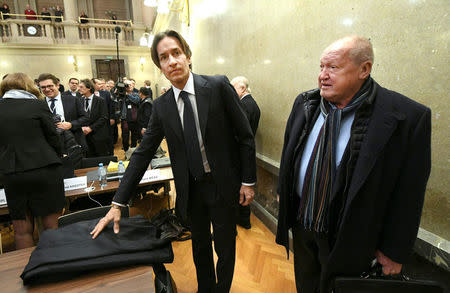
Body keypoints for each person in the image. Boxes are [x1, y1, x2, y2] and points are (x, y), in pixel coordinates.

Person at [91, 30, 256, 293]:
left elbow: (245, 136)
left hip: (223, 184)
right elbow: (144, 153)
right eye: (164, 57)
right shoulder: (162, 106)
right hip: (191, 190)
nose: (172, 61)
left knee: (225, 246)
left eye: (176, 53)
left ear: (188, 56)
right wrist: (118, 202)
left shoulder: (217, 86)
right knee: (199, 245)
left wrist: (248, 181)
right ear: (160, 67)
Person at [276, 36, 431, 293]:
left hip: (354, 241)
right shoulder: (306, 104)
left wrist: (394, 251)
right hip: (303, 227)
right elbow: (289, 154)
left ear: (364, 69)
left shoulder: (407, 118)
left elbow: (410, 193)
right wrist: (284, 192)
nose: (322, 76)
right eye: (321, 67)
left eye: (333, 68)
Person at [0, 73, 65, 249]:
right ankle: (55, 267)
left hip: (13, 173)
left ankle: (28, 272)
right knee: (51, 226)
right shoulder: (37, 105)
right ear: (28, 86)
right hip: (45, 168)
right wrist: (59, 156)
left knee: (22, 230)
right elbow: (53, 137)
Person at [230, 76, 261, 230]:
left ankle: (243, 220)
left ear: (242, 88)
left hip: (240, 154)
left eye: (233, 88)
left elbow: (240, 134)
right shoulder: (251, 104)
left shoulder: (244, 105)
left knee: (240, 189)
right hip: (243, 153)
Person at [38, 73, 89, 153]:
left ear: (57, 85)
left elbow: (85, 118)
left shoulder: (73, 100)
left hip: (74, 143)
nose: (47, 89)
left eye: (50, 86)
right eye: (43, 87)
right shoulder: (39, 104)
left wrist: (71, 124)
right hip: (51, 148)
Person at [79, 79, 110, 157]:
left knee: (102, 157)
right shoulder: (79, 101)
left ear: (89, 88)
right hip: (84, 135)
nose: (79, 89)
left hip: (98, 134)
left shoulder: (100, 100)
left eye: (81, 87)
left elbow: (104, 117)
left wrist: (90, 128)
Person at [119, 79, 140, 152]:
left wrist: (128, 95)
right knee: (125, 137)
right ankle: (126, 151)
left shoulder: (136, 94)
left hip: (134, 119)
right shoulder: (121, 94)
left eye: (130, 85)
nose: (129, 86)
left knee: (134, 136)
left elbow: (136, 101)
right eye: (127, 85)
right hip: (125, 119)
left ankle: (133, 151)